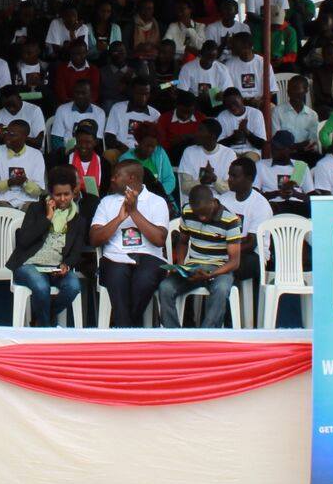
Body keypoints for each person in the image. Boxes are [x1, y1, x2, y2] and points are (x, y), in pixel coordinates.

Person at [90, 159, 170, 327]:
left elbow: (159, 240)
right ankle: (131, 329)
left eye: (116, 176)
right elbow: (94, 239)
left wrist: (133, 212)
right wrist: (119, 219)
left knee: (144, 279)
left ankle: (123, 328)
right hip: (114, 258)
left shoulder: (157, 201)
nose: (112, 179)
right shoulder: (107, 202)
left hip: (149, 257)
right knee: (117, 277)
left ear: (132, 178)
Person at [9, 165, 89, 326]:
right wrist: (48, 217)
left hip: (56, 268)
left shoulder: (78, 220)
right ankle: (46, 329)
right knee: (41, 287)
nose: (63, 199)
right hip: (28, 265)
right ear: (51, 193)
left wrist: (67, 265)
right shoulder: (35, 209)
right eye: (58, 195)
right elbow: (24, 240)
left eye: (67, 194)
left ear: (73, 193)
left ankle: (41, 319)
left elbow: (76, 252)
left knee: (73, 286)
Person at [156, 184, 244, 329]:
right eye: (198, 214)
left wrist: (210, 275)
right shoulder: (188, 211)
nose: (202, 217)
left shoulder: (231, 221)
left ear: (213, 202)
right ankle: (173, 334)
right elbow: (183, 242)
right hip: (194, 267)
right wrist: (180, 266)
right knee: (165, 287)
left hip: (220, 268)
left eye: (205, 213)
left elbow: (234, 262)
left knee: (221, 289)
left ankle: (207, 334)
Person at [0, 118, 47, 209]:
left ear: (25, 137)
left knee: (32, 209)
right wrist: (9, 183)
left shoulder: (36, 155)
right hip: (0, 201)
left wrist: (24, 182)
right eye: (7, 133)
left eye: (12, 135)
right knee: (3, 208)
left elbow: (38, 191)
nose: (7, 137)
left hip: (26, 201)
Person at [176, 118, 235, 199]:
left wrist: (214, 179)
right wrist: (201, 181)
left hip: (221, 201)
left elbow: (230, 190)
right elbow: (185, 188)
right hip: (195, 200)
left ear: (212, 136)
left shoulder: (229, 154)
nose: (196, 134)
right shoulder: (189, 152)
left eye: (201, 131)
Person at [256, 131, 311, 215]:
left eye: (278, 148)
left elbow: (312, 199)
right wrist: (277, 193)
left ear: (290, 149)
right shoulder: (261, 165)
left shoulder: (300, 166)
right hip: (273, 207)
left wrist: (295, 194)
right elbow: (254, 196)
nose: (273, 150)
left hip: (297, 208)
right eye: (272, 146)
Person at [48, 83, 105, 156]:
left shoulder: (99, 113)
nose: (80, 96)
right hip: (66, 152)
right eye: (77, 93)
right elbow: (56, 138)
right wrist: (65, 152)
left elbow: (97, 140)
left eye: (83, 93)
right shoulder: (62, 109)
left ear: (91, 94)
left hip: (88, 152)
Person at [215, 86, 266, 157]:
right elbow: (219, 145)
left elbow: (261, 144)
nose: (232, 107)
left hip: (251, 152)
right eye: (228, 105)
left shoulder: (256, 114)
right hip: (230, 153)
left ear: (241, 99)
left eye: (235, 103)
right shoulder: (222, 116)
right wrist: (233, 137)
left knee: (246, 161)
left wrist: (246, 132)